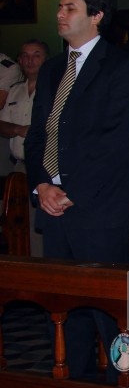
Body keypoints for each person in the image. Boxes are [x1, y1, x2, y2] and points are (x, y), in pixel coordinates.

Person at [23, 0, 129, 378]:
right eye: (59, 7)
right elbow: (38, 135)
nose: (60, 14)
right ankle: (73, 385)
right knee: (63, 309)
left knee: (110, 311)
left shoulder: (121, 66)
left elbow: (116, 140)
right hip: (54, 207)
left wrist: (70, 191)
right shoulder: (53, 68)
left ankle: (123, 385)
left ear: (96, 16)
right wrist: (42, 186)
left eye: (70, 8)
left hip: (98, 209)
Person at [0, 39, 48, 257]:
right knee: (20, 222)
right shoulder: (15, 91)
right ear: (19, 60)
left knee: (43, 222)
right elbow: (2, 125)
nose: (30, 60)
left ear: (46, 59)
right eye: (25, 56)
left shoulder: (55, 90)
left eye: (36, 55)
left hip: (46, 167)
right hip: (20, 166)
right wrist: (18, 129)